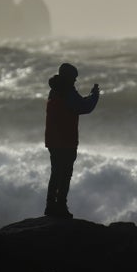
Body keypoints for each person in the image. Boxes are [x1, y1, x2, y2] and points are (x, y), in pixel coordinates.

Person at [44, 63, 99, 218]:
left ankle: (51, 206)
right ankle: (60, 206)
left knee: (56, 173)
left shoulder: (54, 91)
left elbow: (77, 104)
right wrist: (95, 95)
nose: (75, 81)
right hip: (65, 140)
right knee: (65, 174)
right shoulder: (67, 92)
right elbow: (84, 107)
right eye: (74, 78)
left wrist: (88, 97)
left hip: (53, 139)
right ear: (68, 77)